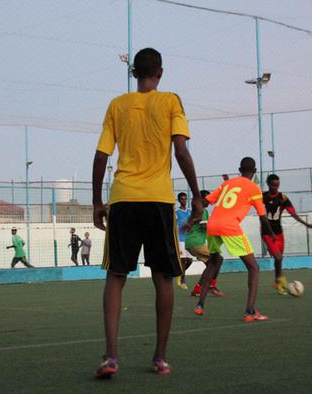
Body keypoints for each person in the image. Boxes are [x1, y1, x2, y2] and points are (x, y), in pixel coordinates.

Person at [92, 47, 202, 378]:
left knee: (116, 276)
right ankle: (159, 358)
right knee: (163, 277)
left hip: (123, 199)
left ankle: (111, 357)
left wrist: (98, 202)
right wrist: (197, 195)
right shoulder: (171, 101)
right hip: (158, 199)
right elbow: (181, 150)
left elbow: (101, 157)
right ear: (161, 72)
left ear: (134, 72)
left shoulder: (117, 105)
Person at [193, 157, 275, 323]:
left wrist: (194, 213)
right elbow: (262, 216)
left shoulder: (227, 184)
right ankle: (250, 311)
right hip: (229, 226)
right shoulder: (254, 189)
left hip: (213, 224)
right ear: (255, 171)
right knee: (253, 268)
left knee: (213, 263)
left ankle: (200, 305)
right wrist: (272, 233)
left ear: (239, 169)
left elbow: (205, 201)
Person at [263, 174, 312, 295]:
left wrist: (307, 224)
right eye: (273, 185)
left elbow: (293, 214)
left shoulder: (283, 198)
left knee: (279, 260)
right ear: (268, 184)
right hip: (267, 233)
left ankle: (277, 282)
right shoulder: (262, 197)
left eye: (277, 185)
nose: (275, 187)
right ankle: (280, 281)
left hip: (279, 233)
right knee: (278, 257)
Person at [187, 190, 225, 298]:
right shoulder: (201, 210)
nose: (210, 201)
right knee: (218, 259)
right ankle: (211, 286)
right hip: (196, 242)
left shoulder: (202, 211)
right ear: (202, 199)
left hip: (192, 243)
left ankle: (197, 290)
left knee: (210, 265)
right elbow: (204, 227)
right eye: (208, 198)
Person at [174, 192, 194, 290]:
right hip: (180, 239)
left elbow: (192, 223)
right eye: (182, 199)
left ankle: (178, 274)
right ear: (179, 200)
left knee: (190, 261)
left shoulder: (190, 211)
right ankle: (183, 281)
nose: (184, 201)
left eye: (185, 199)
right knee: (183, 260)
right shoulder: (176, 212)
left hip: (188, 239)